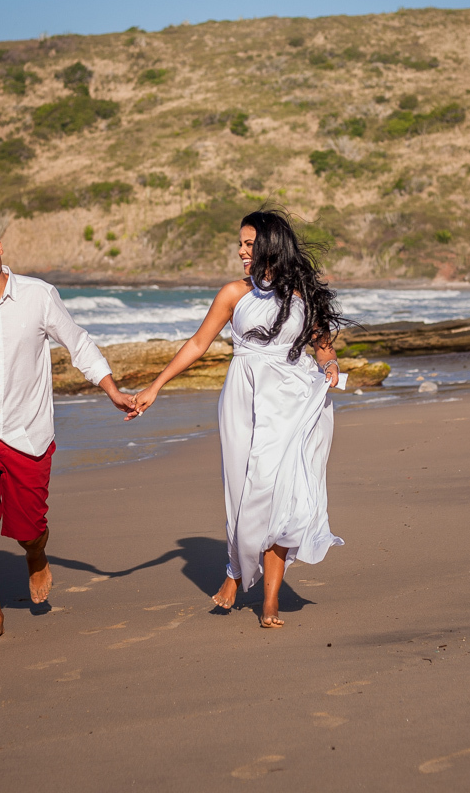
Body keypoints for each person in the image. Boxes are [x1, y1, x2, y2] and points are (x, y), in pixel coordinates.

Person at [0, 220, 136, 643]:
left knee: (29, 530)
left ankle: (37, 557)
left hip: (27, 436)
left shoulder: (38, 295)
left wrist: (111, 390)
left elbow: (78, 343)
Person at [130, 209, 348, 627]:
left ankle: (269, 600)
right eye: (241, 243)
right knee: (247, 490)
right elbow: (197, 344)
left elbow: (323, 345)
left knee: (282, 493)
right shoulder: (234, 293)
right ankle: (235, 567)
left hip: (292, 402)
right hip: (243, 401)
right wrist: (154, 387)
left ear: (269, 245)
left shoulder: (303, 295)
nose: (241, 250)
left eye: (249, 243)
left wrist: (331, 364)